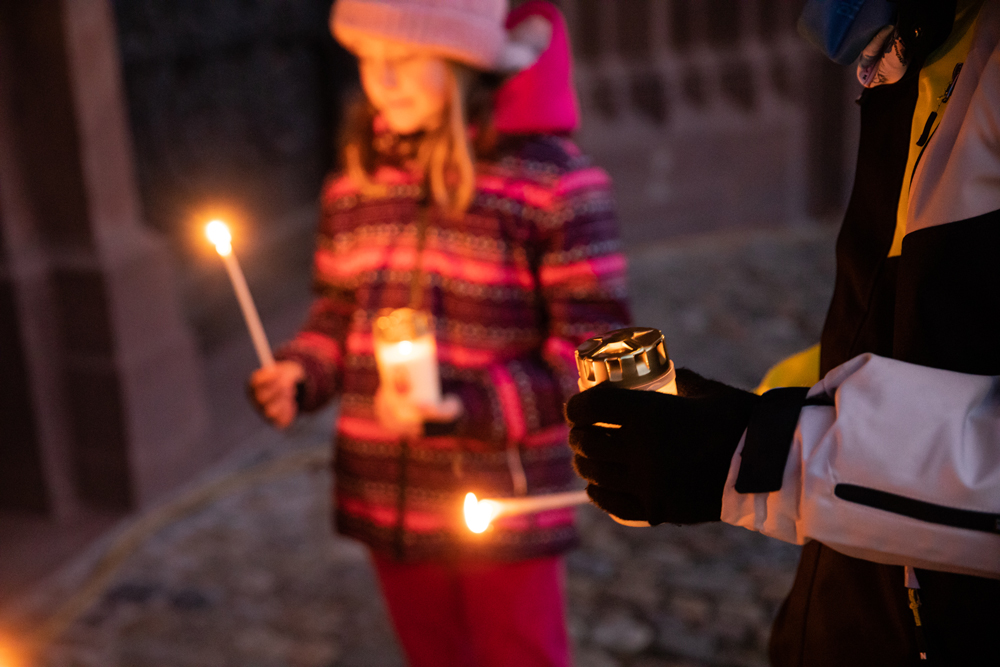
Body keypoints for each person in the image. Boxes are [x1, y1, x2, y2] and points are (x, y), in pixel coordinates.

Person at [567, 0, 1000, 665]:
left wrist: (764, 448)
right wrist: (771, 402)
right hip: (859, 608)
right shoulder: (933, 41)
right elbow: (919, 333)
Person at [249, 1, 630, 665]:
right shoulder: (355, 184)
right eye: (368, 59)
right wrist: (302, 371)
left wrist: (466, 406)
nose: (380, 81)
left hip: (504, 504)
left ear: (464, 63)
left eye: (402, 60)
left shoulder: (556, 186)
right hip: (387, 495)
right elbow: (338, 312)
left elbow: (600, 360)